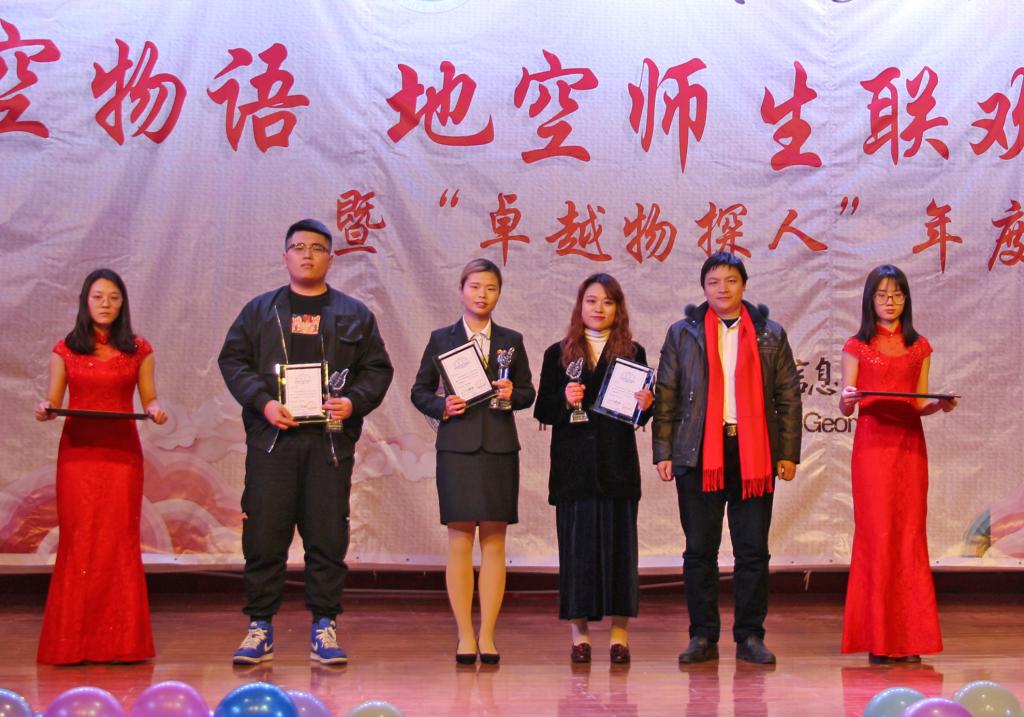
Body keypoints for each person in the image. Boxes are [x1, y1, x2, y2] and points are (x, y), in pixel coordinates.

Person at [218, 218, 393, 665]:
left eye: (316, 248)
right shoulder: (260, 311)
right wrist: (263, 403)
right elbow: (233, 360)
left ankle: (324, 626)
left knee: (327, 536)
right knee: (264, 535)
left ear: (330, 259)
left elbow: (377, 369)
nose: (307, 255)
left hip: (328, 445)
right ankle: (260, 627)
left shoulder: (353, 314)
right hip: (273, 443)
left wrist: (353, 402)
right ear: (285, 257)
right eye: (298, 247)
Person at [653, 252, 802, 665]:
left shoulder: (770, 333)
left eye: (731, 280)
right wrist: (664, 450)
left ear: (744, 285)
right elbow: (666, 393)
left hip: (754, 453)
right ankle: (702, 636)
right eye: (714, 281)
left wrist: (788, 453)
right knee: (699, 550)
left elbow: (788, 396)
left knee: (752, 550)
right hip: (699, 451)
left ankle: (750, 635)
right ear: (703, 288)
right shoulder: (683, 333)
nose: (722, 288)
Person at [34, 268, 168, 665]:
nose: (105, 304)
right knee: (79, 541)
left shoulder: (140, 349)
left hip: (121, 456)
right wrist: (45, 409)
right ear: (85, 301)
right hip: (78, 456)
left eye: (113, 297)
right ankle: (71, 644)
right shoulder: (65, 349)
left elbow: (150, 398)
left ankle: (122, 644)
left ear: (123, 302)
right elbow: (53, 400)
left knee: (118, 540)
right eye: (98, 297)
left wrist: (156, 410)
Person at [410, 258, 535, 665]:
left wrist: (512, 393)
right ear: (461, 289)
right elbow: (419, 391)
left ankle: (488, 635)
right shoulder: (441, 338)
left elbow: (528, 393)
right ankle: (465, 634)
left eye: (491, 288)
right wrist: (442, 406)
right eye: (475, 286)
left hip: (499, 448)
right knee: (460, 541)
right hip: (457, 449)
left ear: (500, 293)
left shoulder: (511, 339)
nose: (482, 295)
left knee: (495, 541)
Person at [838, 265, 956, 664]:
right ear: (870, 300)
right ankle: (877, 639)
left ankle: (909, 640)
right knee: (877, 537)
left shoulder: (919, 346)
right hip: (872, 448)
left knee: (908, 538)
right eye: (882, 295)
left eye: (897, 295)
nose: (890, 302)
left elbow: (919, 403)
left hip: (908, 448)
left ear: (906, 299)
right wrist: (847, 399)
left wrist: (940, 403)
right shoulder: (856, 346)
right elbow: (846, 404)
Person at [534, 273, 654, 665]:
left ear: (618, 308)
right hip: (574, 471)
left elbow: (638, 417)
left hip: (617, 468)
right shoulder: (558, 353)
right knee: (577, 555)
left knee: (621, 554)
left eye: (607, 301)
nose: (598, 308)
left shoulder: (633, 353)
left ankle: (620, 636)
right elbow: (542, 410)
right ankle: (579, 635)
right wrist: (565, 399)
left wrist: (647, 404)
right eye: (591, 300)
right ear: (579, 305)